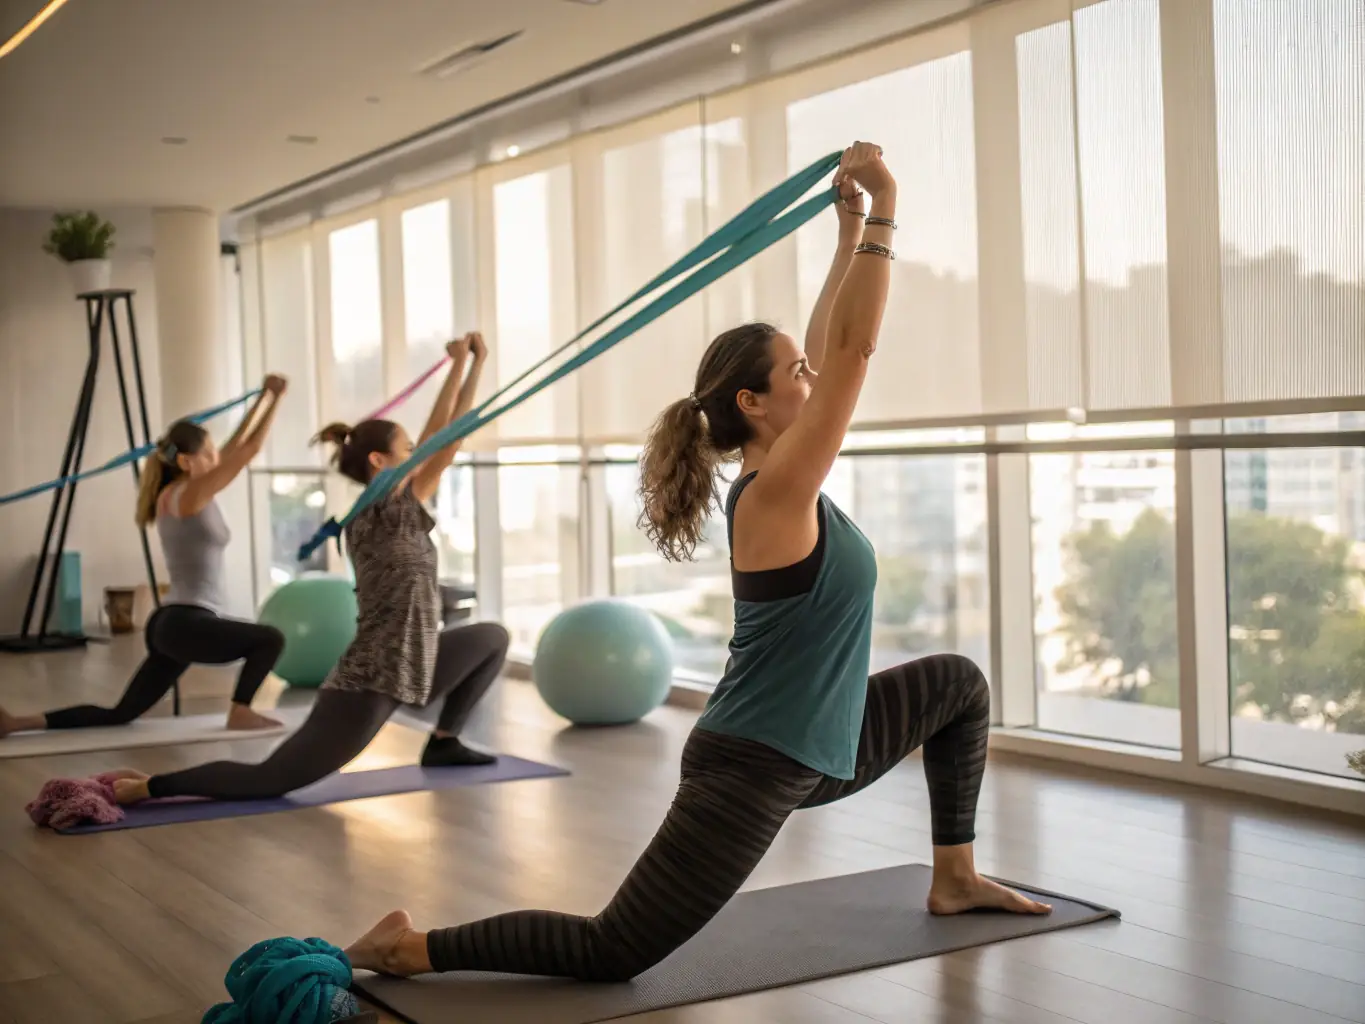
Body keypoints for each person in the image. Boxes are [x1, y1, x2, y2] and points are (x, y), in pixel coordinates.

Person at [339, 142, 1049, 985]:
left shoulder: (786, 478)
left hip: (825, 745)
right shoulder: (773, 493)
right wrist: (888, 207)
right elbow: (854, 354)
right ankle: (407, 947)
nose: (813, 378)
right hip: (749, 766)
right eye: (794, 373)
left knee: (956, 686)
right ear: (752, 404)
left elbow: (831, 347)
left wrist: (847, 227)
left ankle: (955, 877)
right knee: (613, 951)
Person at [109, 333, 509, 804]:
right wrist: (469, 366)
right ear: (379, 462)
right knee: (270, 781)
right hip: (373, 678)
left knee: (491, 638)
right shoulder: (378, 509)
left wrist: (462, 364)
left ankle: (444, 743)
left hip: (418, 661)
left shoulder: (402, 502)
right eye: (407, 450)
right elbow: (447, 438)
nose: (418, 456)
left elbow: (441, 436)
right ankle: (150, 787)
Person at [0, 376, 291, 739]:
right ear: (187, 461)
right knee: (270, 639)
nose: (217, 458)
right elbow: (247, 450)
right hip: (187, 623)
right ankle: (241, 710)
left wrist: (263, 398)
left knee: (121, 713)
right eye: (209, 453)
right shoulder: (190, 493)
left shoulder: (173, 494)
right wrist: (278, 399)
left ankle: (17, 723)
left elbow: (235, 447)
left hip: (169, 624)